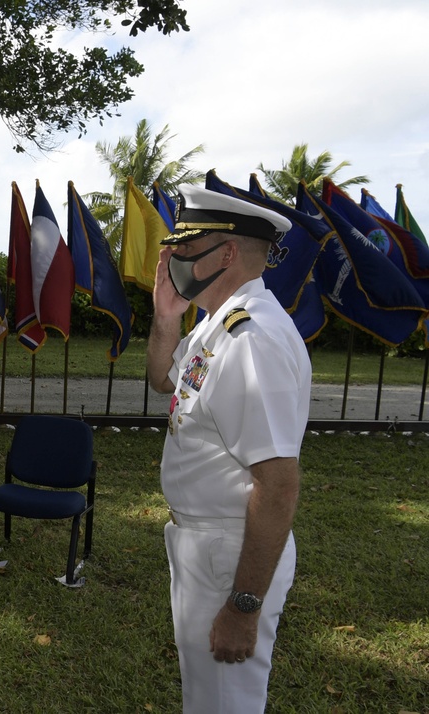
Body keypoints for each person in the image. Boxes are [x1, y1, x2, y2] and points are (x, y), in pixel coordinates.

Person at [146, 186, 311, 713]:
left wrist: (243, 608)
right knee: (207, 699)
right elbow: (161, 382)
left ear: (227, 254)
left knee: (224, 705)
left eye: (187, 249)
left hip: (229, 556)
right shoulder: (216, 327)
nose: (174, 260)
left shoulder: (250, 339)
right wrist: (166, 316)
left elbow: (278, 485)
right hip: (206, 546)